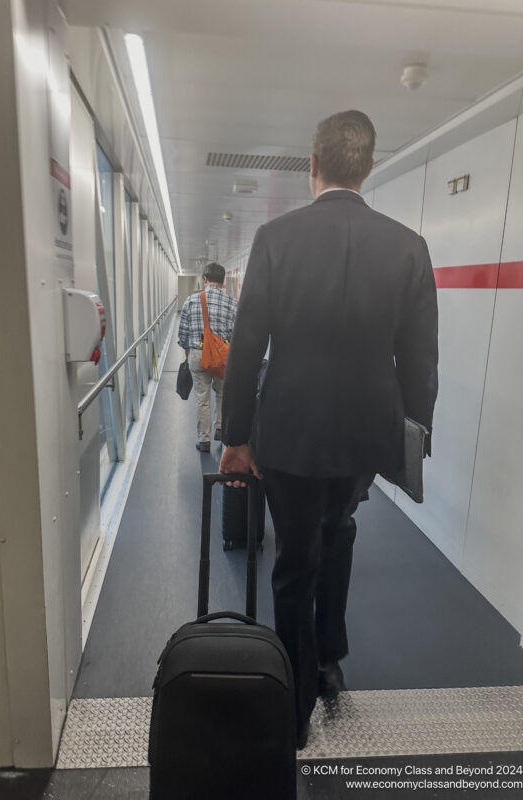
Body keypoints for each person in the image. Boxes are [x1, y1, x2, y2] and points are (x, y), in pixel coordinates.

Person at [218, 110, 438, 749]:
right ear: (368, 168)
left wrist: (235, 434)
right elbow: (420, 357)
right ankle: (329, 661)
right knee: (340, 532)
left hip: (288, 429)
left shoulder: (275, 239)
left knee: (294, 559)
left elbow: (247, 344)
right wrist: (414, 432)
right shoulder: (407, 246)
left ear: (311, 166)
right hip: (366, 434)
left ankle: (293, 707)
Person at [178, 262, 238, 452]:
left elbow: (183, 335)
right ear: (223, 281)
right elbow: (236, 334)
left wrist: (189, 355)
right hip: (222, 355)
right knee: (222, 394)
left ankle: (204, 440)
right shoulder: (232, 303)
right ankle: (220, 429)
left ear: (205, 279)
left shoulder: (191, 300)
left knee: (202, 398)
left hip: (198, 353)